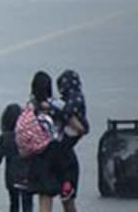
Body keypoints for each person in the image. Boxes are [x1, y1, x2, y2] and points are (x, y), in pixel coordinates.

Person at [25, 71, 62, 212]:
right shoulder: (55, 105)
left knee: (43, 194)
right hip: (52, 153)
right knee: (49, 194)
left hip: (35, 155)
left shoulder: (30, 106)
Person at [54, 70, 89, 212]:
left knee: (64, 197)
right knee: (67, 198)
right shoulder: (77, 97)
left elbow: (66, 113)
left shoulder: (72, 100)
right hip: (67, 159)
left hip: (62, 159)